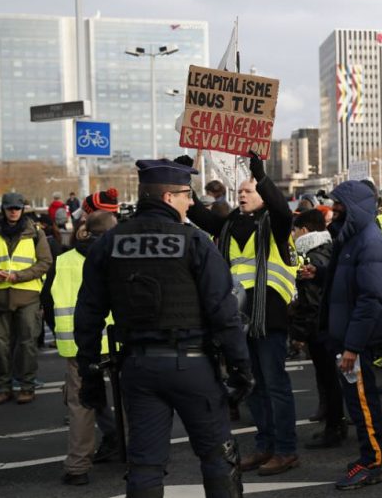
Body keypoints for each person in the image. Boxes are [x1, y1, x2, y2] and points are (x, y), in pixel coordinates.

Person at [73, 159, 253, 497]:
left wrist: (89, 372)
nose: (191, 202)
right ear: (169, 197)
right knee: (217, 455)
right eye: (188, 195)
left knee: (144, 464)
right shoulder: (195, 242)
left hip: (138, 368)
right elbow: (224, 313)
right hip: (193, 365)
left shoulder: (109, 243)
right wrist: (241, 367)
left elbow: (87, 315)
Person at [187, 153, 300, 476]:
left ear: (263, 196)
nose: (242, 194)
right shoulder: (231, 222)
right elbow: (198, 215)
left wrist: (261, 175)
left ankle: (286, 450)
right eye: (240, 191)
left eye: (249, 191)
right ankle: (265, 446)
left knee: (275, 383)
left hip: (269, 313)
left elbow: (281, 208)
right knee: (254, 385)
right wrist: (186, 180)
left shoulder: (275, 222)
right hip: (238, 316)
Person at [322, 180, 382, 490]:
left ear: (354, 208)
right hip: (345, 337)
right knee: (357, 402)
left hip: (355, 342)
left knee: (363, 404)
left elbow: (370, 299)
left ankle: (373, 462)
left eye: (338, 204)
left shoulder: (369, 242)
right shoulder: (350, 238)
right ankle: (368, 455)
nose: (332, 210)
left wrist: (352, 346)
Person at [42, 211, 119, 485]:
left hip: (76, 344)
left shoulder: (63, 262)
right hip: (118, 341)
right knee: (131, 400)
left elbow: (47, 303)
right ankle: (136, 454)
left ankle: (78, 467)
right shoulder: (119, 257)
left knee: (80, 404)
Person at [288, 209, 347, 448]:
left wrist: (300, 334)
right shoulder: (326, 249)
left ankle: (334, 426)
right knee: (330, 377)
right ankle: (334, 422)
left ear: (304, 230)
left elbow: (312, 301)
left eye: (294, 230)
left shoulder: (313, 256)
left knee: (329, 378)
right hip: (326, 325)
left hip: (320, 328)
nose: (291, 235)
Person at [0, 192, 53, 405]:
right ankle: (4, 386)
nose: (13, 211)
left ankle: (26, 386)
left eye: (17, 208)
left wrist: (18, 276)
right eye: (9, 208)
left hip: (28, 295)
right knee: (0, 346)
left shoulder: (35, 233)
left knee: (27, 343)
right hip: (1, 297)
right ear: (3, 209)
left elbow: (45, 262)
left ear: (22, 209)